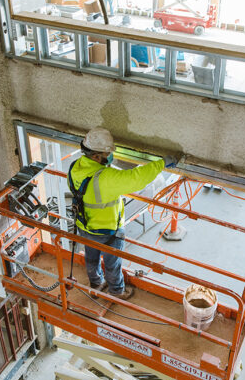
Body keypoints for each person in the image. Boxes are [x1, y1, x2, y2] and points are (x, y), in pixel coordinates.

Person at [68, 127, 177, 300]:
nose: (110, 156)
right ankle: (117, 291)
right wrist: (161, 164)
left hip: (84, 225)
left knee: (91, 257)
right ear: (96, 156)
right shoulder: (106, 178)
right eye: (107, 153)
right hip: (107, 230)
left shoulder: (75, 167)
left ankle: (96, 284)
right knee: (112, 264)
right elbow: (136, 177)